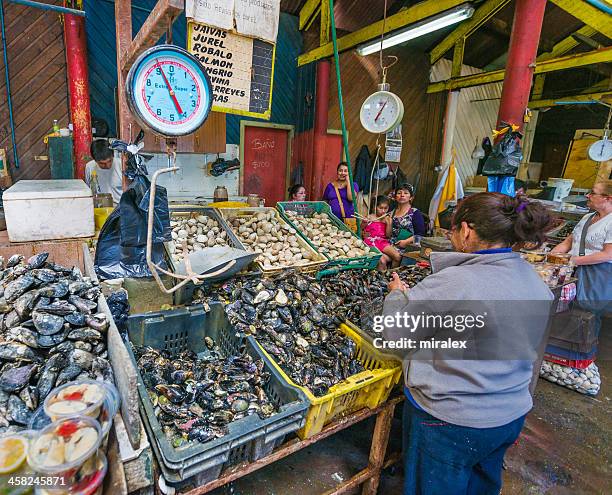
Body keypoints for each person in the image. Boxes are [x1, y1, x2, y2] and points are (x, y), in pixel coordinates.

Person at [382, 192, 554, 495]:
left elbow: (395, 337)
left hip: (451, 422)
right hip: (509, 417)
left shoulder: (455, 282)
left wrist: (397, 294)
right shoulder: (533, 280)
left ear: (466, 230)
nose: (450, 234)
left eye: (452, 228)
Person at [551, 180, 612, 330]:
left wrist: (571, 260)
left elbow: (608, 254)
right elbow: (568, 242)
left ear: (608, 198)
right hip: (572, 271)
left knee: (586, 312)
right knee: (564, 310)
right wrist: (551, 257)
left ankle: (581, 347)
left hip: (594, 274)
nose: (587, 196)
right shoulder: (587, 217)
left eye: (593, 192)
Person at [385, 183, 426, 267]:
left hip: (408, 247)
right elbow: (388, 235)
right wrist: (389, 224)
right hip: (391, 245)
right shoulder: (392, 213)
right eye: (399, 193)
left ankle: (394, 276)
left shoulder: (415, 213)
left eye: (406, 193)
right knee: (381, 259)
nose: (402, 195)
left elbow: (420, 235)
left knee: (396, 257)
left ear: (411, 197)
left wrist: (406, 241)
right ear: (395, 197)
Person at [323, 162, 359, 232]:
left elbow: (351, 198)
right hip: (332, 221)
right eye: (340, 170)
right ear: (337, 172)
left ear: (349, 173)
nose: (342, 173)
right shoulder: (330, 186)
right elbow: (325, 202)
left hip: (347, 222)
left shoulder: (353, 185)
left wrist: (348, 181)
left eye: (345, 171)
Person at [85, 139, 123, 205]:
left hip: (120, 208)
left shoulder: (122, 166)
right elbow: (89, 191)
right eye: (102, 163)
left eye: (110, 161)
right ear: (95, 160)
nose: (108, 165)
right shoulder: (90, 167)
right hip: (101, 207)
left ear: (113, 155)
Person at [362, 196, 393, 270]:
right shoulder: (369, 217)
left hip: (382, 241)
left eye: (386, 208)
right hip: (370, 242)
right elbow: (360, 229)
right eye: (380, 208)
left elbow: (388, 236)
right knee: (382, 261)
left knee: (397, 256)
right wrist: (364, 223)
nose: (383, 211)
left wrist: (389, 224)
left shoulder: (387, 219)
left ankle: (393, 274)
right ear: (375, 207)